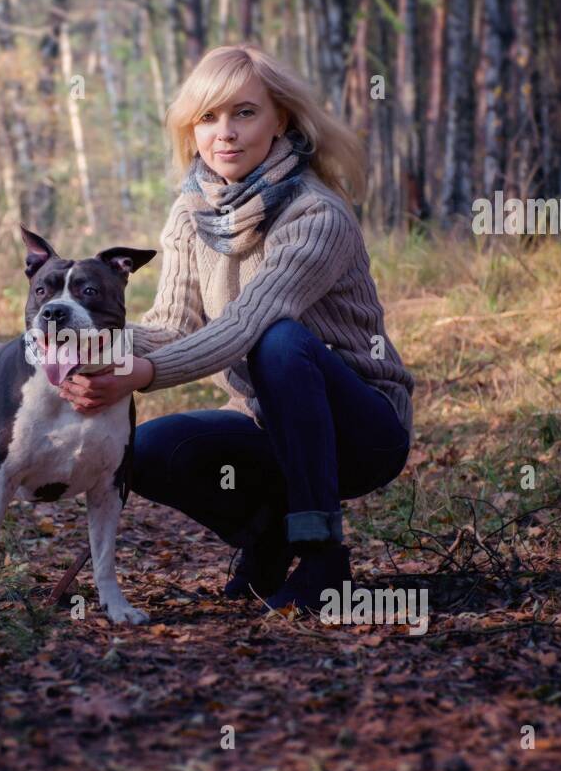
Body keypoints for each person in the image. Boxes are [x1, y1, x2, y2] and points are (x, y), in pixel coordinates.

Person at [57, 44, 414, 611]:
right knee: (147, 451)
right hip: (266, 423)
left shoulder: (315, 214)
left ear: (281, 120)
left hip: (362, 429)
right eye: (207, 117)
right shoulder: (191, 213)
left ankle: (323, 557)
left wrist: (140, 373)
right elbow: (171, 326)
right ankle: (268, 540)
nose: (224, 132)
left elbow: (249, 323)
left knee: (279, 341)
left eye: (244, 113)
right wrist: (85, 345)